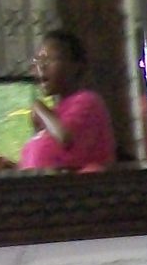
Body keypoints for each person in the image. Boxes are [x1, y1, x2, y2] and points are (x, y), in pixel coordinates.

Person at [16, 30, 115, 173]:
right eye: (38, 60)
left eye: (49, 60)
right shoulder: (56, 113)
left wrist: (39, 108)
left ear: (75, 66)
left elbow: (64, 137)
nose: (41, 66)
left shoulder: (88, 101)